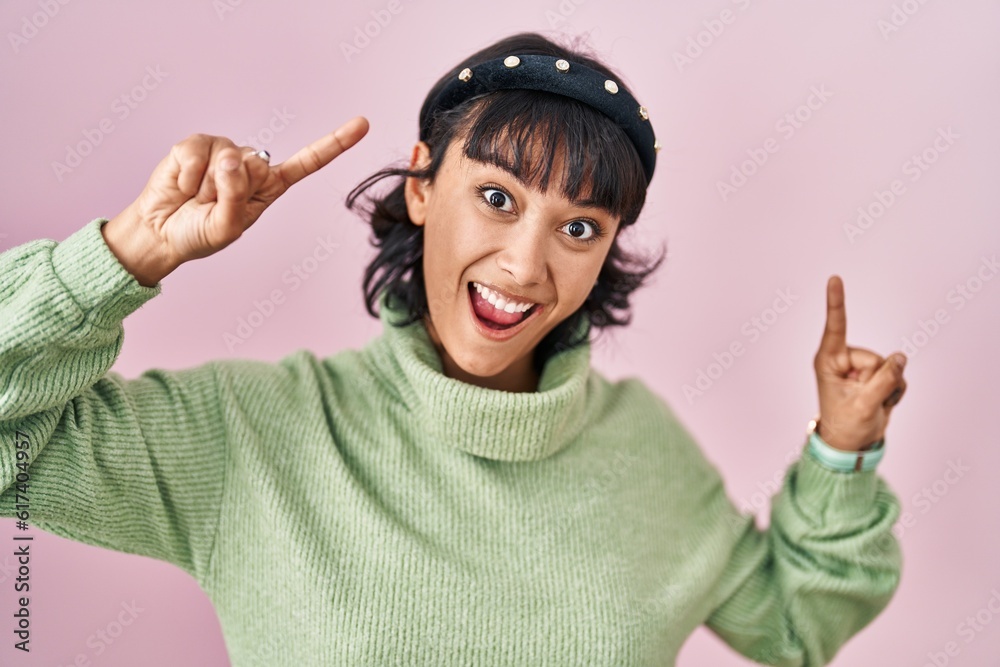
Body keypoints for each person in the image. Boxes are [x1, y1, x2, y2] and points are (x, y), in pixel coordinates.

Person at [0, 31, 908, 666]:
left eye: (580, 227)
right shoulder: (255, 430)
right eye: (499, 198)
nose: (524, 264)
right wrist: (119, 257)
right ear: (426, 185)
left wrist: (842, 450)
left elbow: (794, 626)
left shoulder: (646, 450)